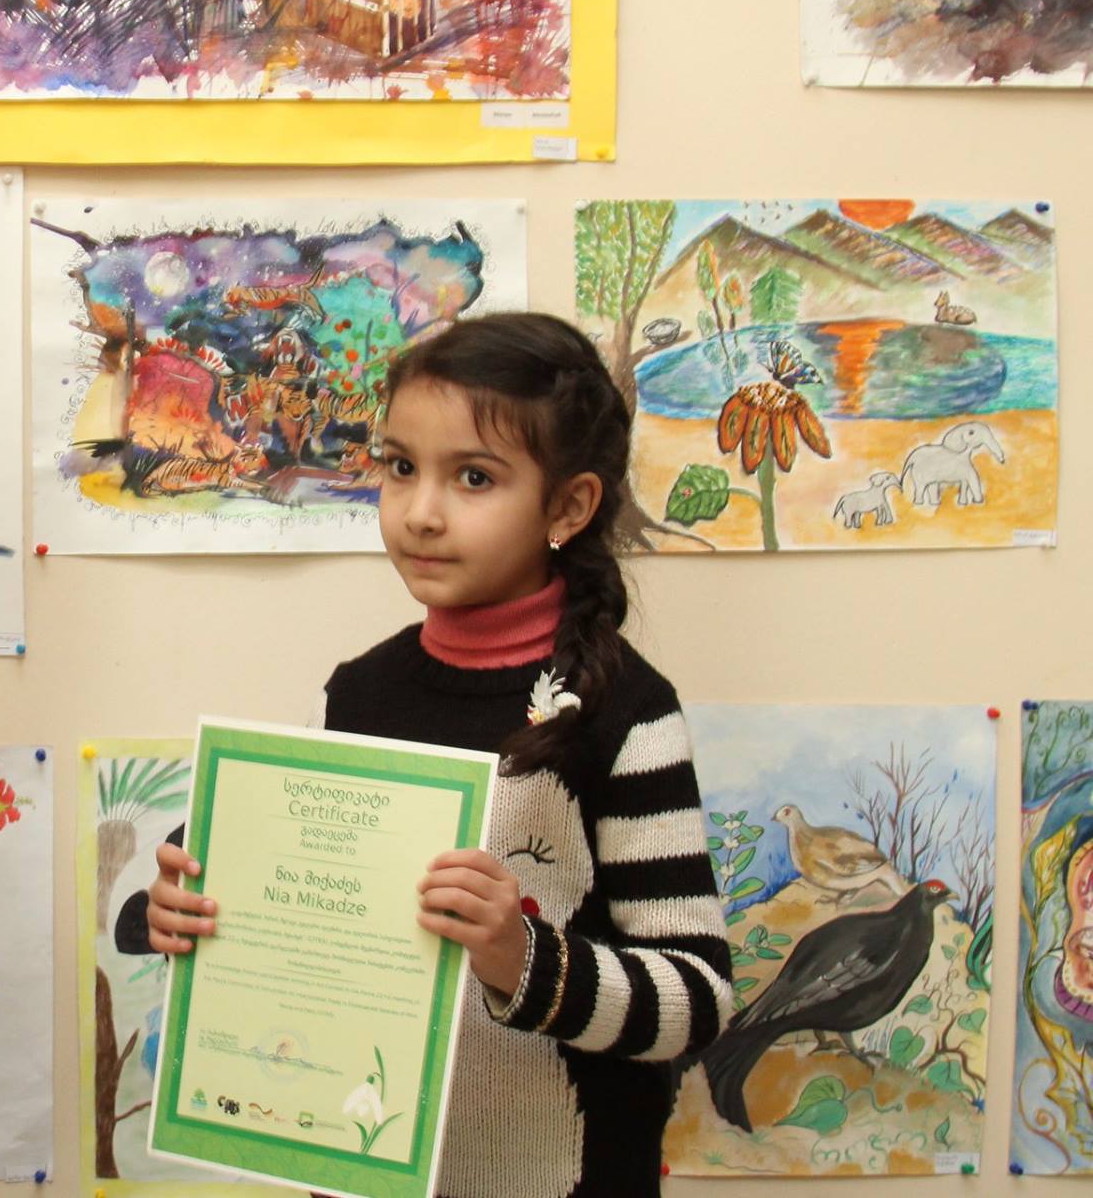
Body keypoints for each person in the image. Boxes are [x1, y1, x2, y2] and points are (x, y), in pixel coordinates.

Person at [123, 312, 732, 1198]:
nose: (420, 512)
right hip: (365, 1172)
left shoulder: (624, 714)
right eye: (401, 466)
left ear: (568, 507)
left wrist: (525, 960)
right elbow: (298, 911)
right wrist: (183, 906)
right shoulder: (354, 694)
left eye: (474, 478)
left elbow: (698, 1002)